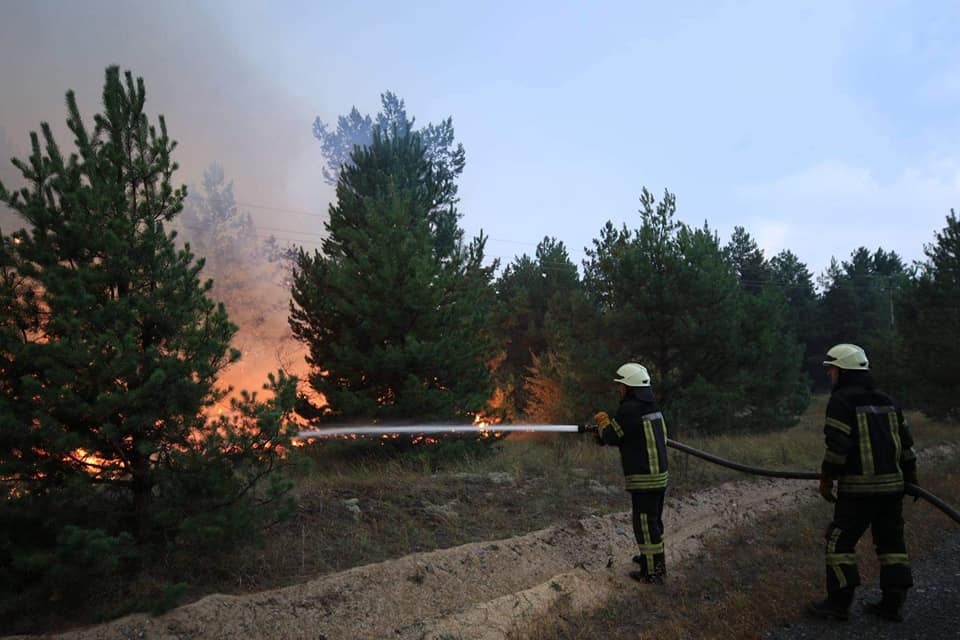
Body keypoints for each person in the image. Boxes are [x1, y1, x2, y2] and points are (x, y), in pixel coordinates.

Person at [808, 343, 918, 622]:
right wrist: (911, 479)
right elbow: (907, 447)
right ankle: (893, 604)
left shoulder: (841, 401)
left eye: (832, 369)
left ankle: (839, 603)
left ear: (843, 371)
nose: (830, 374)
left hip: (858, 491)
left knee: (838, 543)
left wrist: (826, 479)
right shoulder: (888, 401)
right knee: (891, 544)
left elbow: (837, 447)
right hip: (892, 489)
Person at [593, 362, 669, 583]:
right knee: (654, 521)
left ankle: (652, 573)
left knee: (644, 524)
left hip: (645, 478)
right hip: (659, 476)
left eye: (621, 386)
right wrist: (605, 436)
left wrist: (602, 422)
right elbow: (629, 436)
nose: (620, 389)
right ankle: (654, 559)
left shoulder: (629, 409)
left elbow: (611, 435)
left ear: (629, 387)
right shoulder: (652, 407)